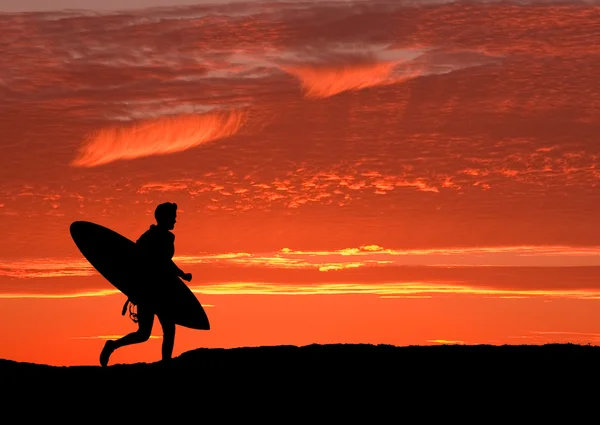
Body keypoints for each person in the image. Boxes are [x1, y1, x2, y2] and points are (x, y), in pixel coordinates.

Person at [99, 202, 192, 367]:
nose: (175, 220)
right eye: (173, 217)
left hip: (163, 290)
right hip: (148, 290)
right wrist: (132, 290)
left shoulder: (166, 237)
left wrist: (182, 274)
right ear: (164, 218)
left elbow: (166, 262)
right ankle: (112, 345)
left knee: (169, 329)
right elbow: (137, 262)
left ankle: (166, 363)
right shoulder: (149, 237)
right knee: (143, 334)